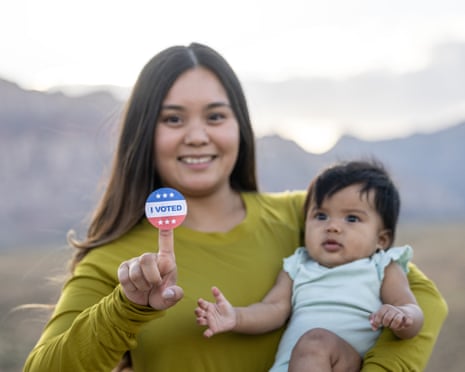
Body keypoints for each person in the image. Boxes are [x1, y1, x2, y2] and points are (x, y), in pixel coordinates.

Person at [23, 43, 447, 372]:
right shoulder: (116, 262)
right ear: (144, 135)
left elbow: (424, 299)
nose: (196, 136)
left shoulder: (309, 217)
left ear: (240, 127)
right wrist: (125, 308)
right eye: (172, 119)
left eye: (215, 116)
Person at [195, 160, 424, 371]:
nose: (332, 227)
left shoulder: (381, 266)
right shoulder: (298, 265)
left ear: (381, 240)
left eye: (352, 218)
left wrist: (402, 316)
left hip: (342, 362)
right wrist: (235, 317)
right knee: (312, 345)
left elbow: (411, 310)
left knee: (316, 342)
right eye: (321, 216)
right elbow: (273, 309)